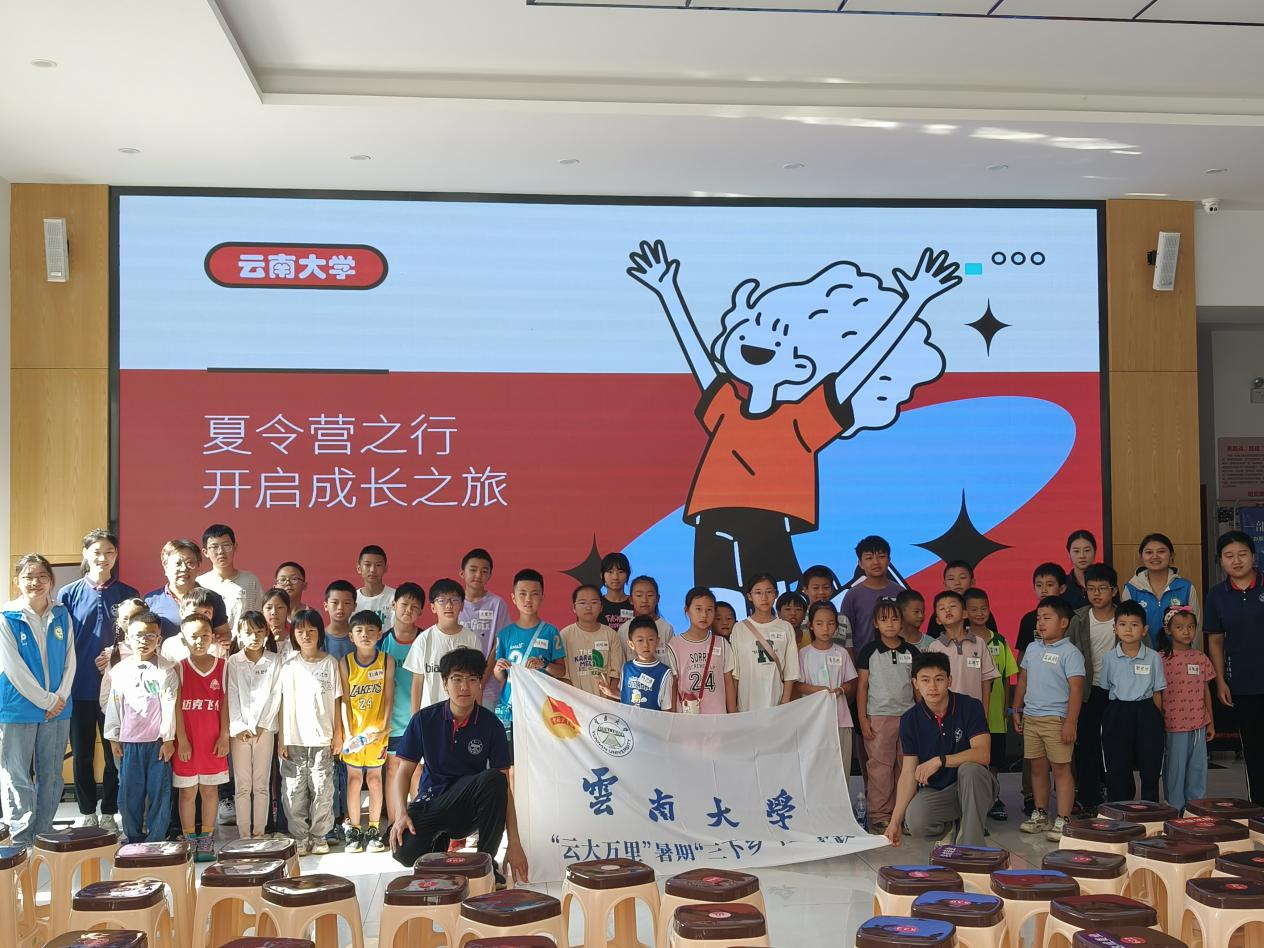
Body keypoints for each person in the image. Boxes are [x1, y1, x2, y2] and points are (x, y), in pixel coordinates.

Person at [388, 648, 528, 885]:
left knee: (495, 779)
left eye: (472, 679)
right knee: (404, 852)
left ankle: (485, 863)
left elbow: (504, 789)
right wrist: (401, 814)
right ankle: (438, 843)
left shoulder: (491, 725)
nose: (464, 687)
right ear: (445, 683)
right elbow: (403, 773)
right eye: (457, 679)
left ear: (480, 684)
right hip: (431, 802)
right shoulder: (424, 720)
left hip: (467, 809)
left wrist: (514, 842)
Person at [58, 529, 137, 833]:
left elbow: (137, 641)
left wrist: (116, 659)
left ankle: (109, 810)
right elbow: (61, 642)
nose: (103, 558)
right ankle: (87, 810)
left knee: (113, 752)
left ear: (116, 555)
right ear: (86, 554)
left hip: (116, 690)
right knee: (82, 754)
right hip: (78, 688)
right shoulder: (68, 594)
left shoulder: (128, 593)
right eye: (96, 552)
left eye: (109, 552)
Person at [0, 554, 77, 846]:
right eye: (28, 577)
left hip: (58, 709)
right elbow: (13, 668)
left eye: (42, 576)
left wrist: (60, 697)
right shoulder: (6, 616)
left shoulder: (61, 614)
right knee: (16, 774)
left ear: (51, 580)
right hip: (18, 708)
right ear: (17, 581)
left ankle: (43, 832)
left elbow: (70, 659)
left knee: (52, 775)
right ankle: (21, 837)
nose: (35, 582)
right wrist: (47, 700)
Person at [885, 651, 996, 848]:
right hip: (939, 791)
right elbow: (908, 772)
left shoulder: (970, 706)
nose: (933, 687)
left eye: (939, 679)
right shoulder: (910, 719)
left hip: (976, 786)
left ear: (949, 680)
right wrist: (895, 821)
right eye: (925, 680)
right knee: (916, 820)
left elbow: (983, 754)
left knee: (970, 770)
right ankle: (953, 827)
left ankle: (971, 850)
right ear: (915, 683)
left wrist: (940, 760)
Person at [1013, 596, 1084, 841]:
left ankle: (1063, 818)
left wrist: (1070, 722)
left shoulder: (1070, 653)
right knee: (1037, 768)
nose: (1040, 623)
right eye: (1038, 618)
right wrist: (1016, 708)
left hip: (1056, 719)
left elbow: (1076, 689)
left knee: (1061, 769)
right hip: (1032, 717)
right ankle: (1041, 814)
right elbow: (1023, 679)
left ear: (1064, 622)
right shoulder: (1033, 648)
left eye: (1047, 618)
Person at [103, 610, 178, 844]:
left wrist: (168, 739)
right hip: (129, 743)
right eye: (138, 636)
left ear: (159, 638)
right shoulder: (120, 671)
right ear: (128, 636)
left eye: (150, 636)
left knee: (159, 792)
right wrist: (113, 737)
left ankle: (156, 838)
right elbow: (114, 705)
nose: (144, 641)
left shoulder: (166, 670)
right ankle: (133, 837)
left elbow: (170, 706)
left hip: (157, 744)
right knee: (129, 794)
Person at [277, 607, 345, 856]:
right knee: (293, 791)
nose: (305, 635)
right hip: (294, 739)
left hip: (322, 738)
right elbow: (282, 705)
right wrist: (282, 738)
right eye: (300, 631)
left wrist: (338, 734)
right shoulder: (288, 667)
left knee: (322, 790)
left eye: (311, 630)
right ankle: (300, 837)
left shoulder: (330, 663)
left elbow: (337, 701)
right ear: (293, 635)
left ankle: (319, 836)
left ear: (319, 633)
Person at [1204, 531, 1264, 802]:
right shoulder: (1217, 595)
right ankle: (1259, 807)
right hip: (1242, 683)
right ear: (1221, 561)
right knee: (1254, 748)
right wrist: (1220, 681)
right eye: (1229, 556)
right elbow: (1215, 641)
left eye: (1242, 554)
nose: (1236, 560)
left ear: (1253, 556)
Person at [855, 598, 918, 833]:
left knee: (906, 766)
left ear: (902, 622)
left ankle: (904, 815)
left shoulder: (911, 651)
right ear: (875, 623)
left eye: (894, 619)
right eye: (884, 620)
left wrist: (922, 717)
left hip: (909, 717)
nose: (890, 624)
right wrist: (863, 719)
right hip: (879, 717)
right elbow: (862, 687)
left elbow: (917, 688)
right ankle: (880, 814)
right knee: (880, 767)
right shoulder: (869, 651)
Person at [173, 613, 230, 861]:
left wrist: (224, 736)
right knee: (187, 793)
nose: (199, 641)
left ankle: (206, 840)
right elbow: (176, 707)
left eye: (205, 635)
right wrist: (182, 739)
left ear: (212, 637)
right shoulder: (179, 668)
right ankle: (189, 841)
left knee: (209, 791)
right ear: (183, 639)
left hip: (213, 742)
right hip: (187, 743)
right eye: (193, 636)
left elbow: (225, 704)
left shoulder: (223, 667)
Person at [1100, 600, 1166, 802]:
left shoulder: (1153, 657)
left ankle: (1150, 808)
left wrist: (1157, 718)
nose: (1128, 629)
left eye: (1134, 625)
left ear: (1144, 630)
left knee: (1150, 764)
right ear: (1115, 628)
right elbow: (1106, 688)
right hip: (1118, 711)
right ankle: (1119, 807)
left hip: (1147, 711)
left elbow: (1157, 692)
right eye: (1122, 624)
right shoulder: (1109, 658)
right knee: (1118, 764)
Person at [1067, 563, 1119, 814]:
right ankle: (1089, 799)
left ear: (1114, 591)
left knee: (1116, 746)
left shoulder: (1125, 617)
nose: (1096, 594)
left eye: (1102, 588)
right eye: (1091, 588)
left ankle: (1119, 796)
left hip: (1119, 693)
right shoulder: (1078, 619)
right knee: (1088, 745)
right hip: (1088, 691)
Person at [341, 610, 393, 854]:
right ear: (351, 636)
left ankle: (373, 829)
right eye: (359, 631)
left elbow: (389, 697)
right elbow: (344, 700)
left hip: (377, 734)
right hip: (354, 735)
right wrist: (348, 733)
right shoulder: (345, 662)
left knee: (374, 780)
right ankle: (354, 830)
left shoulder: (386, 661)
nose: (365, 635)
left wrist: (383, 729)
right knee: (353, 781)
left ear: (379, 634)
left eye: (371, 630)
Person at [226, 611, 281, 840]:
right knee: (242, 785)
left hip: (265, 730)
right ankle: (244, 835)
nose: (254, 637)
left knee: (261, 784)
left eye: (259, 631)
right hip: (239, 732)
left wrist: (262, 725)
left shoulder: (275, 660)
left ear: (266, 632)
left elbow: (276, 694)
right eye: (248, 632)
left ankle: (259, 834)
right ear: (239, 634)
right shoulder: (233, 661)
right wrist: (239, 726)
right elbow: (231, 694)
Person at [493, 570, 566, 743]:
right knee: (511, 756)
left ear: (542, 597)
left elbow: (561, 671)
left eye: (534, 594)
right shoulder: (505, 634)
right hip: (512, 706)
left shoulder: (551, 632)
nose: (528, 599)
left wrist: (544, 664)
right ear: (513, 598)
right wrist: (498, 668)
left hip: (541, 706)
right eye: (522, 594)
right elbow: (501, 677)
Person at [964, 587, 1017, 821]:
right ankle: (974, 800)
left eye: (983, 608)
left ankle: (994, 797)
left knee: (994, 759)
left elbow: (1006, 677)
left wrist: (1006, 707)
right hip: (970, 713)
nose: (979, 613)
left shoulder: (1000, 641)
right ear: (965, 612)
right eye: (973, 609)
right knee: (972, 759)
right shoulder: (962, 641)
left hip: (995, 714)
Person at [1158, 607, 1215, 812]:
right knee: (1175, 767)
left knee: (1197, 767)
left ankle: (1195, 808)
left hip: (1198, 723)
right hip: (1173, 724)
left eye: (1191, 627)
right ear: (1168, 629)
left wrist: (1210, 722)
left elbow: (1206, 690)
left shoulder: (1200, 658)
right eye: (1180, 627)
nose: (1186, 632)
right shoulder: (1161, 659)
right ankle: (1175, 808)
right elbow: (1157, 693)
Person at [797, 601, 857, 773]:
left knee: (841, 768)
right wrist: (817, 690)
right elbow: (798, 686)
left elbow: (852, 681)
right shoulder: (804, 654)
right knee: (816, 769)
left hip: (840, 718)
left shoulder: (841, 652)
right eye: (819, 623)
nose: (825, 628)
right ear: (811, 626)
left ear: (837, 626)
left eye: (831, 623)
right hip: (813, 719)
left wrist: (841, 689)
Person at [380, 583, 424, 815]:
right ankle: (394, 822)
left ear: (421, 612)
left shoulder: (425, 640)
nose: (408, 610)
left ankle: (418, 823)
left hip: (419, 718)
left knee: (417, 771)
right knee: (393, 769)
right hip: (392, 720)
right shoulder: (382, 642)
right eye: (404, 604)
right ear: (393, 605)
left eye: (415, 607)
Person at [405, 580, 481, 713]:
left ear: (462, 605)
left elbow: (477, 681)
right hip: (430, 714)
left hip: (464, 713)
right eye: (442, 601)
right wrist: (415, 717)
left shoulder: (471, 639)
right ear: (433, 607)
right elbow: (417, 682)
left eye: (454, 600)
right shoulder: (423, 639)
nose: (449, 605)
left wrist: (478, 715)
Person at [730, 573, 801, 712]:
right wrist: (734, 708)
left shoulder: (785, 627)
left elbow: (791, 671)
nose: (764, 597)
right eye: (758, 592)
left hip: (776, 702)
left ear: (776, 594)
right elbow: (736, 673)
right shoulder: (739, 628)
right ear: (749, 596)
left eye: (769, 592)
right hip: (747, 703)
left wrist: (785, 701)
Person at [1122, 533, 1201, 646]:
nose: (1155, 556)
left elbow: (1196, 626)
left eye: (1161, 551)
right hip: (1142, 655)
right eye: (1149, 552)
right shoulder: (1131, 589)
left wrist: (1189, 654)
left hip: (1179, 654)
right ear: (1141, 557)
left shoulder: (1186, 587)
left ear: (1171, 555)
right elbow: (1126, 627)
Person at [143, 539, 228, 641]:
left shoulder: (213, 598)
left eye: (190, 563)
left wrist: (220, 640)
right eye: (178, 563)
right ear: (165, 567)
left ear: (198, 566)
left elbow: (224, 635)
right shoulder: (150, 601)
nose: (184, 568)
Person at [458, 548, 512, 706]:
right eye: (473, 570)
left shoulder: (497, 604)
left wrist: (481, 680)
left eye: (484, 571)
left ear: (490, 575)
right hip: (457, 685)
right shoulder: (453, 603)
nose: (478, 575)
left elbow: (498, 644)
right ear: (462, 573)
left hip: (487, 687)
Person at [670, 587, 736, 714]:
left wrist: (732, 716)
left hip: (717, 717)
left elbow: (728, 683)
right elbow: (673, 686)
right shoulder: (674, 645)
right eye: (698, 609)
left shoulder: (722, 643)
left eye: (709, 609)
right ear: (687, 610)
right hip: (687, 718)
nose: (704, 615)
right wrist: (672, 718)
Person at [927, 591, 999, 706]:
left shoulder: (979, 643)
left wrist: (983, 712)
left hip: (973, 710)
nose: (947, 610)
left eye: (952, 606)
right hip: (945, 710)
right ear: (938, 620)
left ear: (965, 614)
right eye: (942, 608)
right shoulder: (934, 647)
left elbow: (986, 680)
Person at [560, 584, 626, 699]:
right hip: (576, 702)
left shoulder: (611, 635)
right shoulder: (565, 635)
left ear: (601, 607)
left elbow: (617, 673)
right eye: (582, 603)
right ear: (574, 607)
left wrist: (610, 698)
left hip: (605, 703)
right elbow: (563, 676)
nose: (588, 607)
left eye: (594, 602)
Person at [842, 536, 903, 654]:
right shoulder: (852, 595)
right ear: (860, 563)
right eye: (869, 558)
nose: (876, 562)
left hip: (897, 659)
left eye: (881, 556)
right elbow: (846, 635)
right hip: (863, 661)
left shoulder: (900, 592)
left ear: (889, 560)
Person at [198, 524, 264, 630]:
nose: (221, 551)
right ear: (205, 552)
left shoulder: (250, 580)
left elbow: (260, 616)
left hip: (244, 639)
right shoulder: (200, 583)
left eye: (226, 545)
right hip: (210, 639)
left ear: (235, 547)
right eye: (214, 547)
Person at [620, 616, 675, 712]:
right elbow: (624, 696)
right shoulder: (626, 668)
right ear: (631, 644)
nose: (646, 645)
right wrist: (609, 692)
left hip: (653, 721)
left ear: (657, 641)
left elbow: (667, 709)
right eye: (640, 640)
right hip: (628, 721)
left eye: (650, 639)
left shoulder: (665, 673)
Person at [797, 564, 854, 647]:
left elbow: (848, 649)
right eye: (816, 588)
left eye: (826, 587)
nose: (821, 592)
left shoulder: (843, 619)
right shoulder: (799, 618)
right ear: (805, 590)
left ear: (832, 589)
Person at [629, 575, 676, 663]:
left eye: (650, 595)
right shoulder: (624, 629)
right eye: (639, 595)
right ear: (631, 599)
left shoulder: (666, 628)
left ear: (657, 598)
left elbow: (673, 661)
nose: (644, 600)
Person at [354, 545, 395, 627]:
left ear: (385, 568)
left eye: (378, 565)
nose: (372, 570)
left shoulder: (395, 597)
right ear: (359, 568)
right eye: (367, 565)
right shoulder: (352, 599)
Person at [322, 580, 357, 663]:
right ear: (326, 606)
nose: (340, 607)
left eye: (347, 603)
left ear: (354, 607)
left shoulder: (360, 636)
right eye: (335, 602)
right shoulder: (319, 638)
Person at [599, 552, 634, 633]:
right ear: (602, 575)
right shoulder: (596, 604)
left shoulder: (635, 603)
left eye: (620, 572)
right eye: (610, 572)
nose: (615, 577)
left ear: (628, 575)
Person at [1064, 530, 1098, 611]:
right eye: (1076, 551)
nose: (1082, 556)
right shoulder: (1062, 584)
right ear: (1069, 553)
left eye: (1087, 550)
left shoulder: (1106, 582)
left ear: (1095, 552)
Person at [261, 587, 293, 660]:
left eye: (280, 607)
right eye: (269, 608)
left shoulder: (295, 638)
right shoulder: (256, 638)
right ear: (262, 611)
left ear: (288, 611)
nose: (274, 612)